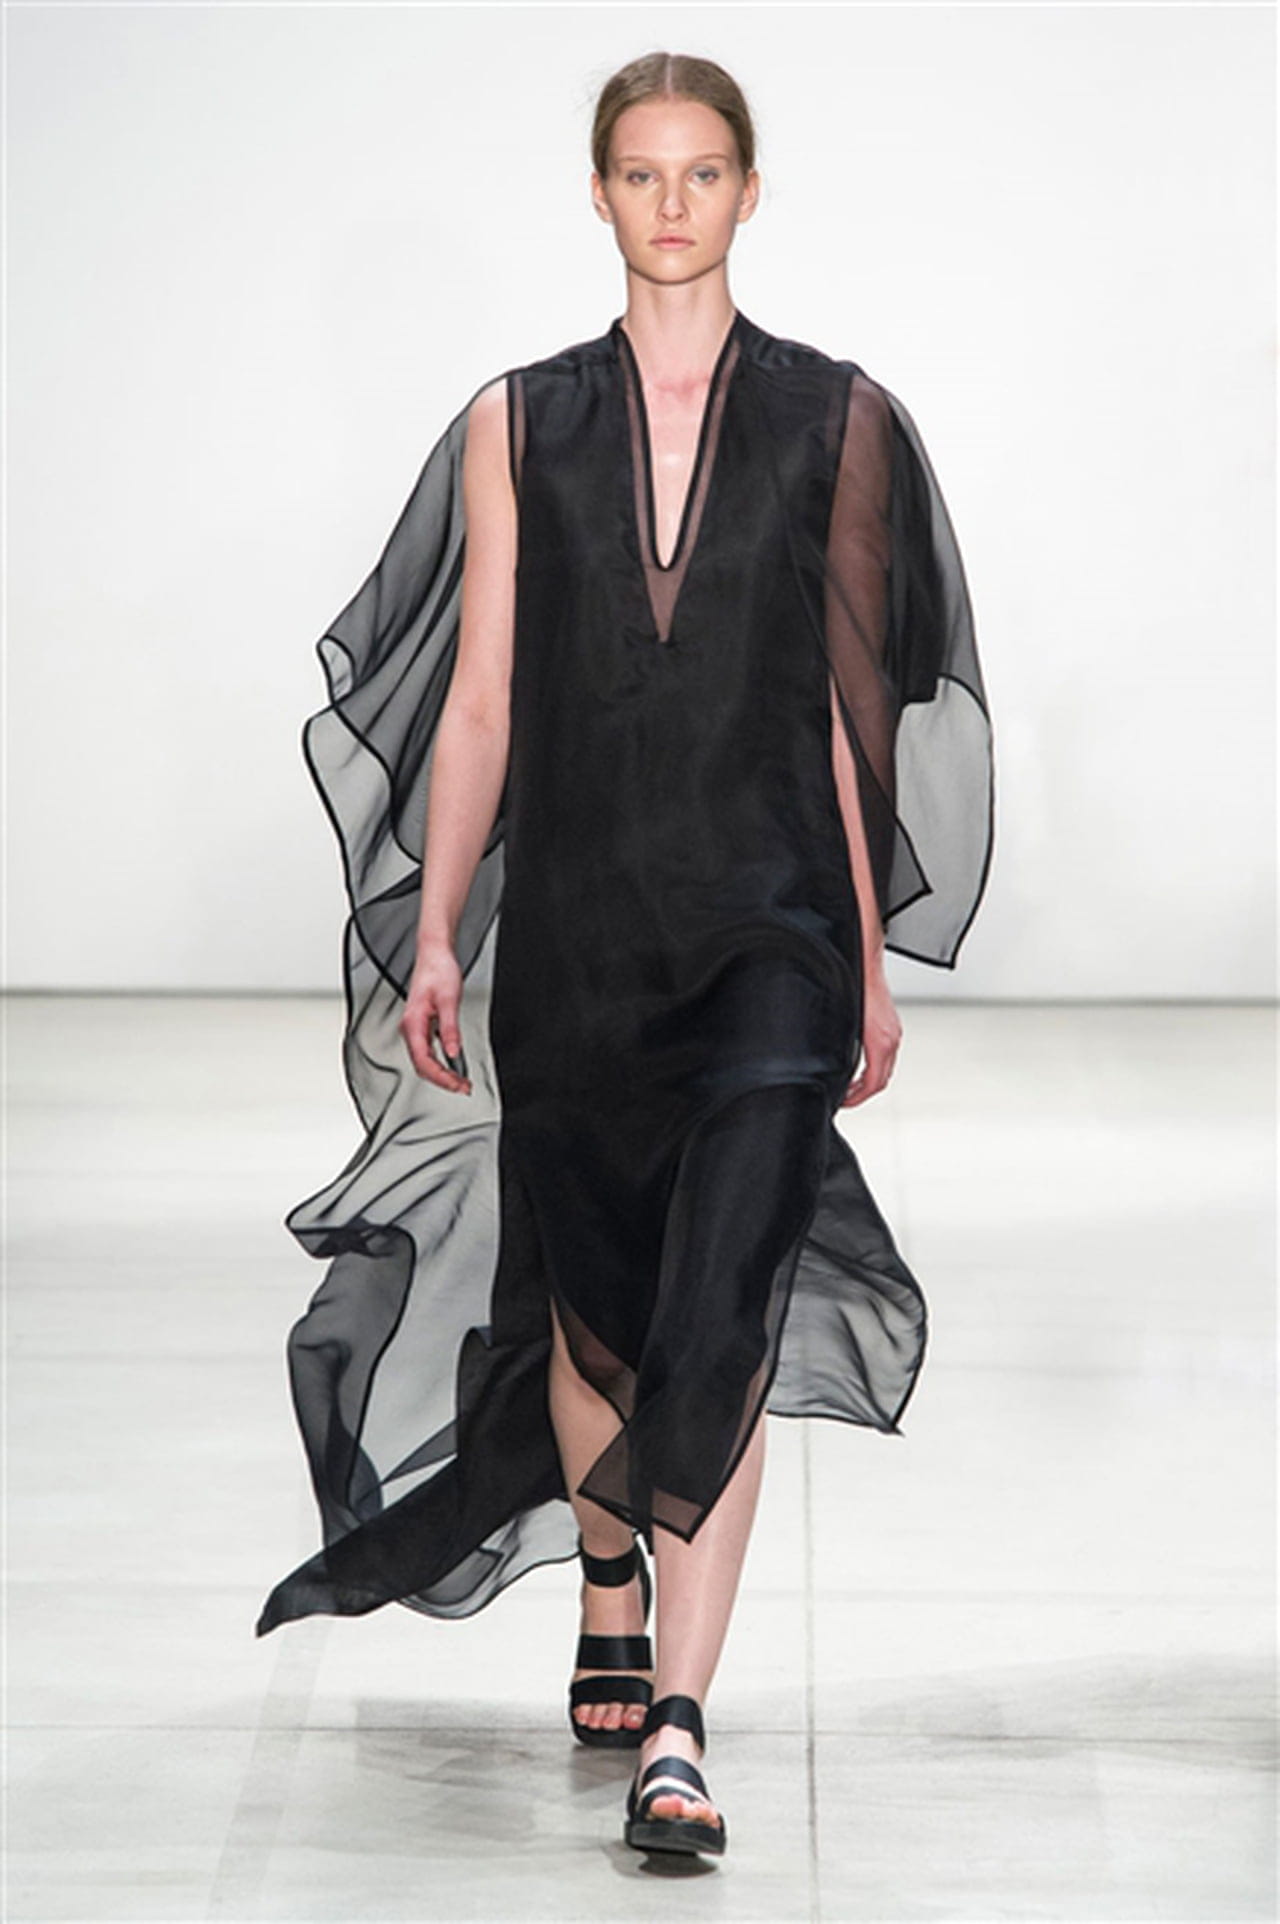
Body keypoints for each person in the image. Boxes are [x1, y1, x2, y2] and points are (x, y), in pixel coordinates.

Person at [256, 50, 994, 1864]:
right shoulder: (520, 423)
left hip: (772, 934)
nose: (675, 203)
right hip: (581, 935)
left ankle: (678, 1718)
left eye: (705, 171)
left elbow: (851, 726)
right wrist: (440, 930)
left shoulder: (839, 420)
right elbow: (483, 698)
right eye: (643, 173)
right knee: (593, 1305)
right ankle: (607, 1568)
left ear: (751, 190)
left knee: (719, 1307)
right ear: (598, 194)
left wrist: (867, 966)